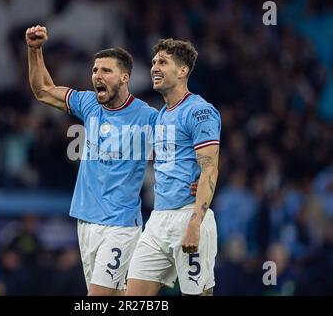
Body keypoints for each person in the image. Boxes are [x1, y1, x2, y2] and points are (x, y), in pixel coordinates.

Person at [25, 25, 158, 296]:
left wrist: (195, 179)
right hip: (86, 221)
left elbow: (180, 147)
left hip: (120, 225)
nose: (97, 75)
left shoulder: (147, 116)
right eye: (95, 70)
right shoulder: (89, 104)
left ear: (124, 77)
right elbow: (43, 90)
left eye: (106, 70)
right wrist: (35, 50)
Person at [126, 38, 221, 296]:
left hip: (188, 216)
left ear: (182, 71)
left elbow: (210, 170)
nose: (154, 67)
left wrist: (195, 224)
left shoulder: (200, 112)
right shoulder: (162, 115)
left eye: (163, 62)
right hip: (158, 219)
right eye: (154, 62)